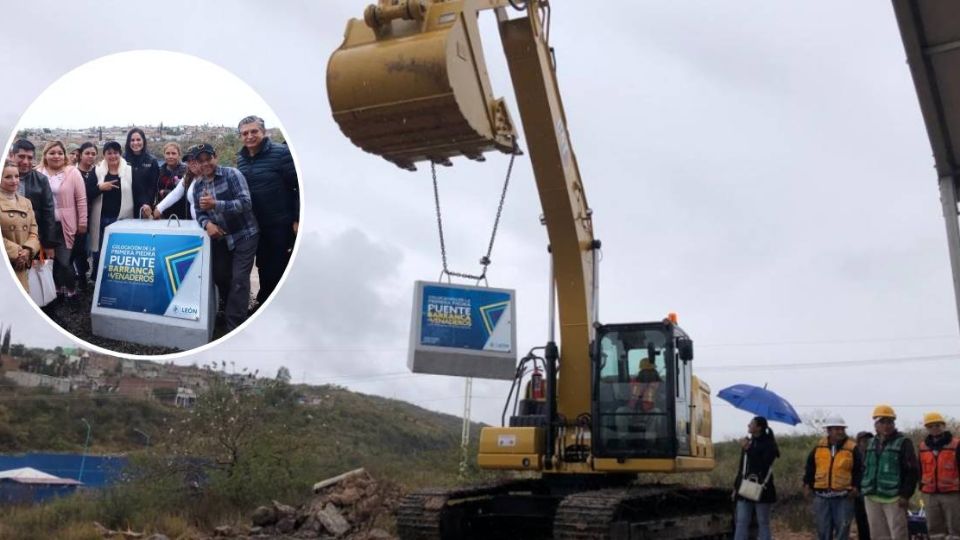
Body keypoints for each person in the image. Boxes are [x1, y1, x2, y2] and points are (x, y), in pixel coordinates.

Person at [190, 143, 259, 331]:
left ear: (216, 157)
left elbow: (246, 203)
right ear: (196, 163)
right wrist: (208, 224)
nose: (206, 164)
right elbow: (199, 213)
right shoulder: (198, 186)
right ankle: (232, 310)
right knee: (220, 276)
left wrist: (216, 205)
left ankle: (234, 326)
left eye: (208, 159)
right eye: (201, 161)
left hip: (244, 234)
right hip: (221, 238)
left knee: (239, 279)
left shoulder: (232, 174)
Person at [235, 115, 299, 307]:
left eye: (254, 131)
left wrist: (296, 218)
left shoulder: (282, 154)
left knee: (278, 266)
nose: (249, 136)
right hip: (255, 223)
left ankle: (269, 304)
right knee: (262, 265)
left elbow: (298, 188)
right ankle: (264, 302)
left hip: (280, 222)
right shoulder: (241, 159)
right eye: (245, 133)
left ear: (263, 132)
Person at [36, 141, 87, 300]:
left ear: (64, 155)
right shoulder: (38, 172)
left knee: (65, 261)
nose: (56, 156)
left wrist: (82, 221)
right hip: (44, 226)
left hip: (66, 224)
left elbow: (81, 199)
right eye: (52, 153)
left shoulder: (72, 172)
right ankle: (56, 289)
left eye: (59, 152)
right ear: (45, 155)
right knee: (51, 261)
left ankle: (71, 290)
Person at [860, 404, 919, 540]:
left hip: (894, 498)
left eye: (889, 422)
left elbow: (912, 471)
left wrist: (905, 495)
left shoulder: (904, 442)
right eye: (882, 422)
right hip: (872, 496)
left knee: (898, 534)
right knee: (878, 535)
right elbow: (864, 468)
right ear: (876, 425)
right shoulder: (870, 443)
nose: (886, 426)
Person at [803, 416, 863, 540]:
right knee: (823, 530)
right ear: (829, 430)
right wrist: (807, 484)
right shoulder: (819, 447)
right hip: (821, 497)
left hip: (844, 497)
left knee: (842, 530)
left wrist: (856, 487)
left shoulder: (852, 448)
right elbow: (810, 467)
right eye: (837, 429)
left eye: (842, 429)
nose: (840, 432)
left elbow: (860, 470)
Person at [89, 141, 134, 275]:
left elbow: (137, 192)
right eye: (109, 153)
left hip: (122, 219)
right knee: (99, 251)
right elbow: (87, 192)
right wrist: (100, 188)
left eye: (115, 152)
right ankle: (97, 278)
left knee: (119, 252)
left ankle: (116, 278)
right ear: (104, 155)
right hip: (100, 219)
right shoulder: (97, 171)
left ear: (120, 154)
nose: (113, 156)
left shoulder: (129, 171)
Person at [7, 139, 58, 254]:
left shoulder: (41, 180)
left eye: (29, 158)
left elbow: (48, 213)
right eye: (21, 156)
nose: (25, 162)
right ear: (11, 155)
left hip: (32, 238)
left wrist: (49, 245)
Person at [733, 416, 779, 540]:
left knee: (763, 522)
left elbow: (763, 464)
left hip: (763, 488)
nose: (748, 425)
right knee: (741, 522)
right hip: (744, 487)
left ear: (759, 427)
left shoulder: (769, 445)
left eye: (751, 424)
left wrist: (748, 449)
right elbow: (742, 467)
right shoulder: (749, 442)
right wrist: (736, 487)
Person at [918, 411, 960, 540]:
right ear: (927, 428)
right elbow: (919, 469)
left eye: (937, 425)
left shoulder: (956, 444)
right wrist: (922, 486)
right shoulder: (922, 446)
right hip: (930, 494)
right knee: (934, 529)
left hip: (952, 493)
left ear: (943, 426)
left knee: (955, 528)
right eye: (930, 426)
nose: (934, 428)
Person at [1, 160, 40, 290]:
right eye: (8, 177)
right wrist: (17, 253)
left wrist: (28, 250)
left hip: (21, 264)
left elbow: (34, 229)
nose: (14, 180)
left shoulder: (26, 202)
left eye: (16, 176)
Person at [70, 142, 98, 290]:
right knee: (79, 247)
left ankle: (83, 272)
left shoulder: (96, 172)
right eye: (87, 153)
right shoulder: (72, 172)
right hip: (76, 216)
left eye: (93, 154)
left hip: (93, 215)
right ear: (80, 154)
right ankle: (81, 276)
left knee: (88, 247)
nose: (90, 156)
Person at [154, 145, 201, 220]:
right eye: (189, 161)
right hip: (195, 223)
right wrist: (159, 208)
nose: (192, 163)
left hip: (206, 223)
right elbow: (176, 193)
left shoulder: (209, 176)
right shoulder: (188, 176)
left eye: (195, 159)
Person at [124, 127, 159, 219]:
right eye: (132, 140)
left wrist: (148, 205)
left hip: (144, 207)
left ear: (143, 141)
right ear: (128, 142)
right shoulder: (122, 160)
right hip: (125, 206)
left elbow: (153, 187)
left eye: (138, 139)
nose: (135, 143)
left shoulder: (152, 161)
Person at [156, 142, 187, 219]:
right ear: (164, 155)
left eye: (173, 153)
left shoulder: (186, 171)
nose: (170, 156)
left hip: (182, 212)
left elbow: (186, 193)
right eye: (168, 153)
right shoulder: (159, 171)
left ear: (179, 155)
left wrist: (166, 192)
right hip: (163, 211)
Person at [855, 431, 875, 540]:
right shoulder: (854, 455)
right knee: (861, 522)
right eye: (864, 441)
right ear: (858, 442)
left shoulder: (876, 453)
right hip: (858, 493)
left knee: (873, 522)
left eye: (869, 440)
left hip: (873, 493)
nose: (867, 443)